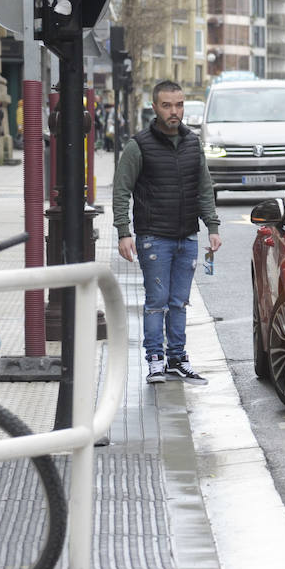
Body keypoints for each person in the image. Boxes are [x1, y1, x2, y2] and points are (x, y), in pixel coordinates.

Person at [113, 80, 222, 385]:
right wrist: (123, 231)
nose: (174, 111)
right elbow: (121, 190)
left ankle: (177, 358)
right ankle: (155, 360)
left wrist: (212, 227)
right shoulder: (138, 145)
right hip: (154, 238)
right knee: (156, 301)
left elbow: (204, 188)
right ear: (155, 108)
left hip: (187, 236)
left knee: (179, 302)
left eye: (179, 105)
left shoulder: (192, 143)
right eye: (167, 105)